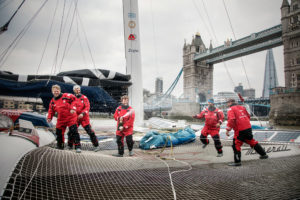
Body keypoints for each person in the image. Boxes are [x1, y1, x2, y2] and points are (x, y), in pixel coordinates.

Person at [225, 98, 268, 166]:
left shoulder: (231, 109)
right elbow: (248, 116)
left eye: (227, 102)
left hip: (240, 129)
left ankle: (237, 162)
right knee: (251, 141)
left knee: (236, 144)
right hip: (248, 128)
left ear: (230, 102)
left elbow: (231, 120)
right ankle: (263, 154)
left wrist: (228, 130)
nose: (227, 104)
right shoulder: (242, 107)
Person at [47, 84, 82, 153]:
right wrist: (49, 117)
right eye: (54, 91)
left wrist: (73, 108)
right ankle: (60, 146)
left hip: (71, 117)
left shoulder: (67, 96)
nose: (56, 92)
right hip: (61, 118)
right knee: (58, 132)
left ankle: (78, 146)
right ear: (52, 92)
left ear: (59, 91)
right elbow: (51, 110)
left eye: (57, 91)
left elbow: (75, 100)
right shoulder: (53, 101)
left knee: (73, 131)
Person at [68, 85, 100, 152]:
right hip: (75, 118)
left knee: (90, 131)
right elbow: (70, 107)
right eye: (76, 89)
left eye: (79, 89)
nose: (78, 90)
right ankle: (71, 145)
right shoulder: (72, 98)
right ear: (74, 90)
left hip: (84, 118)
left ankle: (96, 145)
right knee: (72, 131)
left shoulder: (84, 98)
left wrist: (83, 114)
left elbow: (87, 107)